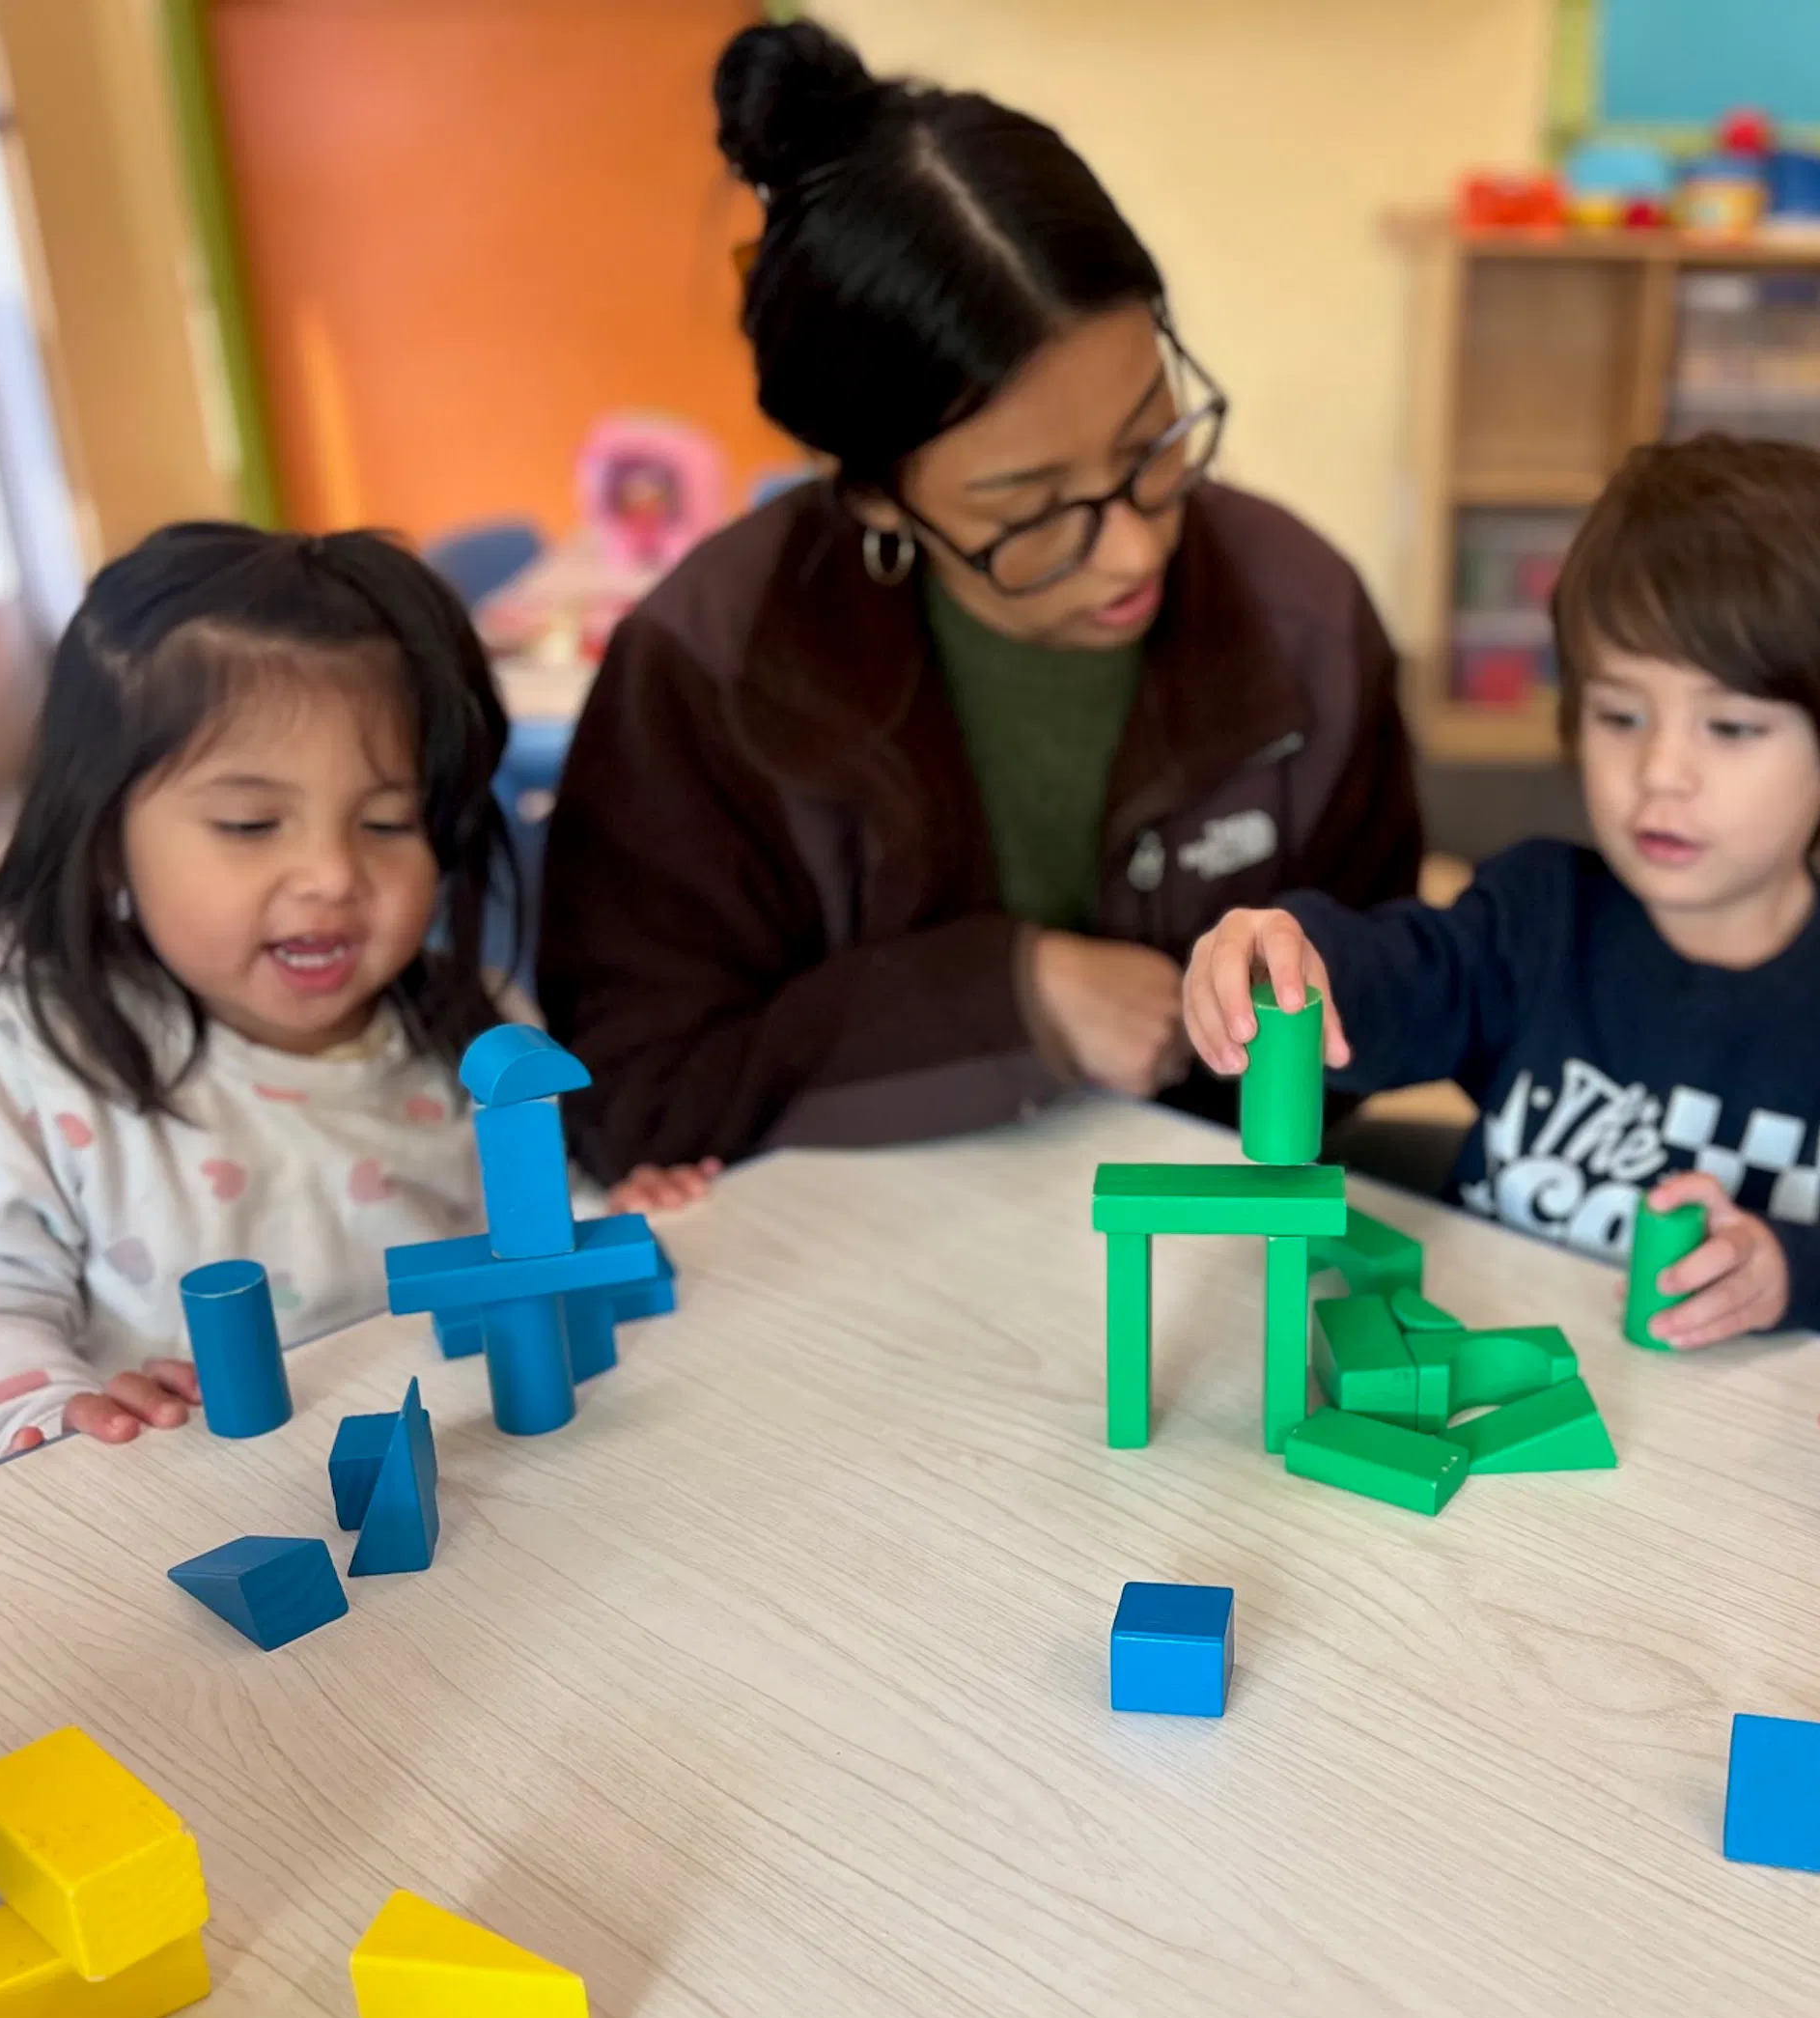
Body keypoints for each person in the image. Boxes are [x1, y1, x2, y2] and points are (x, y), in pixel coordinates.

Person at [537, 20, 1423, 1175]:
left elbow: (1381, 1017)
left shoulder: (1302, 617)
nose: (1133, 550)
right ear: (872, 494)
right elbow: (630, 1094)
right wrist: (1008, 997)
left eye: (1152, 443)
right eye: (1033, 509)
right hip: (843, 1258)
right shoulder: (708, 670)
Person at [0, 524, 705, 1476]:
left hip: (472, 1488)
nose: (332, 875)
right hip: (182, 1513)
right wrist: (57, 1417)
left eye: (386, 822)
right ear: (104, 841)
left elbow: (537, 1239)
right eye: (250, 823)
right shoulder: (31, 1051)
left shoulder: (471, 1025)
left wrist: (616, 1217)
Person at [1183, 436, 1820, 1346]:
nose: (1659, 770)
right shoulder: (1536, 915)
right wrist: (1291, 957)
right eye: (1621, 714)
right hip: (1501, 1385)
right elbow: (1396, 986)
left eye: (1731, 728)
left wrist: (1795, 1273)